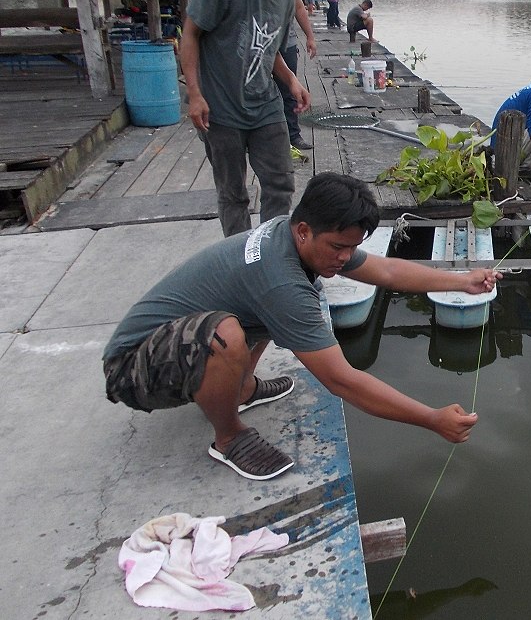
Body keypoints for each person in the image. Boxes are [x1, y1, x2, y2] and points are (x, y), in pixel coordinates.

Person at [102, 172, 501, 481]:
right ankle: (229, 437)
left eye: (352, 247)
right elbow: (342, 381)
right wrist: (430, 419)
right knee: (226, 333)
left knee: (252, 318)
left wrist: (462, 281)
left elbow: (387, 270)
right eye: (337, 247)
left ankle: (239, 388)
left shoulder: (292, 234)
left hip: (172, 343)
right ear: (304, 230)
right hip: (134, 369)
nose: (345, 259)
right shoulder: (282, 280)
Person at [179, 0, 311, 237]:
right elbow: (190, 34)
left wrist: (292, 81)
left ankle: (270, 252)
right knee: (233, 192)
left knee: (280, 183)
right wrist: (194, 93)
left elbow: (270, 49)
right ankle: (240, 257)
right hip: (220, 109)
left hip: (264, 105)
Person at [277, 0, 317, 150]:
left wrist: (310, 37)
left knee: (290, 91)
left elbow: (299, 7)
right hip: (257, 43)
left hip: (287, 42)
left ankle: (293, 135)